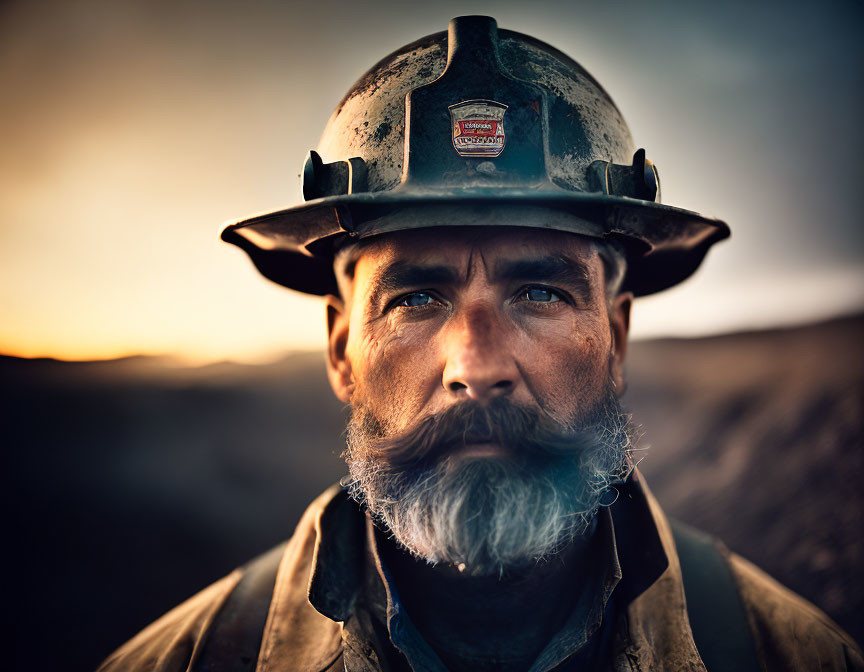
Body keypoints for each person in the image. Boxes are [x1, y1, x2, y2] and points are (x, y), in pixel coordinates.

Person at [97, 16, 862, 672]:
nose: (478, 366)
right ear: (340, 349)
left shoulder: (790, 654)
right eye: (415, 298)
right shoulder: (188, 658)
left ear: (617, 337)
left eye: (540, 293)